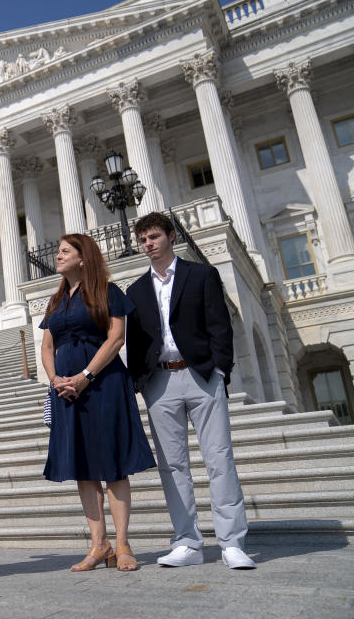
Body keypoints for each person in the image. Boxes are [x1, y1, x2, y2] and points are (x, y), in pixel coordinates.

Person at [126, 212, 256, 569]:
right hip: (160, 383)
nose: (148, 244)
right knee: (172, 467)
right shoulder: (135, 290)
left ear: (170, 236)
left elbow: (220, 324)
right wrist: (140, 381)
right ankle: (187, 543)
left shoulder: (201, 275)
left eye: (153, 237)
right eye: (143, 240)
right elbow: (135, 341)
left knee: (219, 459)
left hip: (201, 375)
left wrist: (219, 369)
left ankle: (231, 542)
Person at [39, 233, 155, 572]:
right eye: (58, 251)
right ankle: (98, 544)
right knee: (83, 468)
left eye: (64, 251)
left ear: (83, 258)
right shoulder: (56, 300)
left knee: (113, 464)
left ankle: (122, 543)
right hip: (65, 389)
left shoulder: (108, 291)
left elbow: (116, 337)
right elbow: (47, 346)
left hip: (103, 383)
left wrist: (85, 376)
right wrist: (55, 379)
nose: (57, 256)